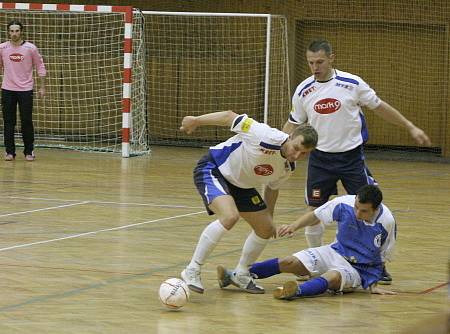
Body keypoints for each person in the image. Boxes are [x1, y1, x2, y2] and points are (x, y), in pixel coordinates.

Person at [282, 38, 430, 284]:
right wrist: (280, 149)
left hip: (351, 158)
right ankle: (314, 263)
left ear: (331, 58)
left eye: (319, 61)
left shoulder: (352, 83)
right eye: (310, 62)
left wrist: (409, 126)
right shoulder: (303, 90)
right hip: (320, 159)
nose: (315, 67)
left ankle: (377, 265)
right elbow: (293, 125)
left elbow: (380, 107)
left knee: (372, 209)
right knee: (315, 210)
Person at [179, 110, 318, 294]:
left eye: (305, 154)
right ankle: (192, 269)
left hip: (242, 185)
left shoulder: (288, 167)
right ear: (290, 136)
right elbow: (229, 117)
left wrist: (269, 215)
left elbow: (272, 188)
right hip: (215, 169)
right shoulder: (263, 134)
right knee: (229, 217)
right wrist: (196, 120)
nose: (297, 155)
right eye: (296, 148)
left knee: (266, 229)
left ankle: (241, 273)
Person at [217, 185, 397, 299]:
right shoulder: (344, 204)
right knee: (289, 261)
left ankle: (296, 291)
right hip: (335, 251)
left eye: (364, 211)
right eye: (357, 207)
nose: (357, 213)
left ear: (376, 208)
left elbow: (381, 256)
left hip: (358, 268)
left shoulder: (386, 222)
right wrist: (293, 226)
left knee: (333, 277)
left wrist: (373, 285)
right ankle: (236, 275)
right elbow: (315, 215)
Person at [0, 20, 46, 161]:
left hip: (26, 90)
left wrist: (42, 86)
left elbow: (40, 66)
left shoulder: (30, 48)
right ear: (8, 32)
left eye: (17, 31)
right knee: (8, 122)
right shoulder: (2, 48)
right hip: (7, 90)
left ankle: (29, 151)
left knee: (26, 121)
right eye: (12, 31)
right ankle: (9, 152)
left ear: (21, 31)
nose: (14, 34)